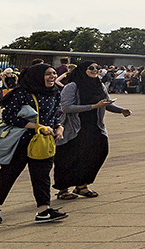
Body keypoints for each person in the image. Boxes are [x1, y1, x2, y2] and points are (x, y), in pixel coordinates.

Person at [0, 64, 69, 225]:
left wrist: (59, 127)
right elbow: (9, 117)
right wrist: (37, 127)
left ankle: (43, 211)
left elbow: (55, 116)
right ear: (37, 75)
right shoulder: (22, 93)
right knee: (7, 176)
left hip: (43, 141)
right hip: (21, 142)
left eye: (54, 73)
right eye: (48, 74)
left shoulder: (54, 93)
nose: (53, 76)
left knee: (42, 177)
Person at [54, 63, 130, 200]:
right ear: (83, 70)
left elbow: (106, 103)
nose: (95, 70)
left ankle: (82, 185)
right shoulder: (72, 86)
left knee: (98, 152)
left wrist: (120, 110)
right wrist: (93, 106)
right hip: (74, 127)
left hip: (94, 126)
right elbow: (66, 107)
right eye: (91, 68)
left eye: (97, 68)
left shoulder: (98, 85)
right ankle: (63, 189)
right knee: (68, 158)